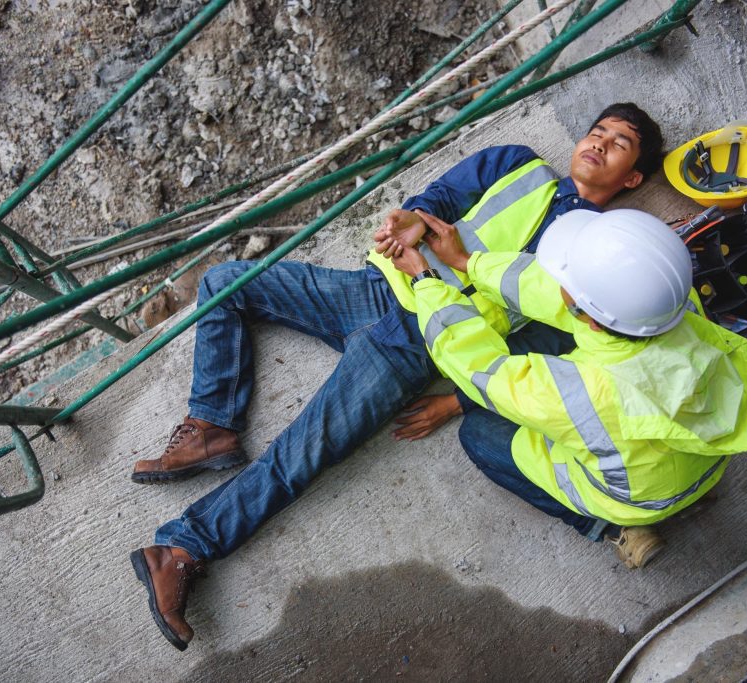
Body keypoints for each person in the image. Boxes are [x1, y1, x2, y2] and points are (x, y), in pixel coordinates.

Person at [129, 103, 665, 651]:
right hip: (375, 289)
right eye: (596, 131)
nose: (597, 142)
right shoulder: (518, 163)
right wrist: (408, 218)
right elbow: (440, 199)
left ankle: (179, 550)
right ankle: (210, 426)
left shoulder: (597, 257)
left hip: (417, 347)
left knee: (301, 455)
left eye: (617, 143)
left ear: (633, 177)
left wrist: (458, 399)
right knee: (224, 283)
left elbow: (545, 345)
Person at [386, 207, 747, 570]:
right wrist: (468, 262)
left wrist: (424, 279)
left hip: (642, 496)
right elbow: (551, 292)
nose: (559, 280)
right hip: (708, 463)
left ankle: (611, 526)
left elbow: (478, 367)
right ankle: (689, 496)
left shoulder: (583, 392)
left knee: (479, 433)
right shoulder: (671, 305)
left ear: (591, 318)